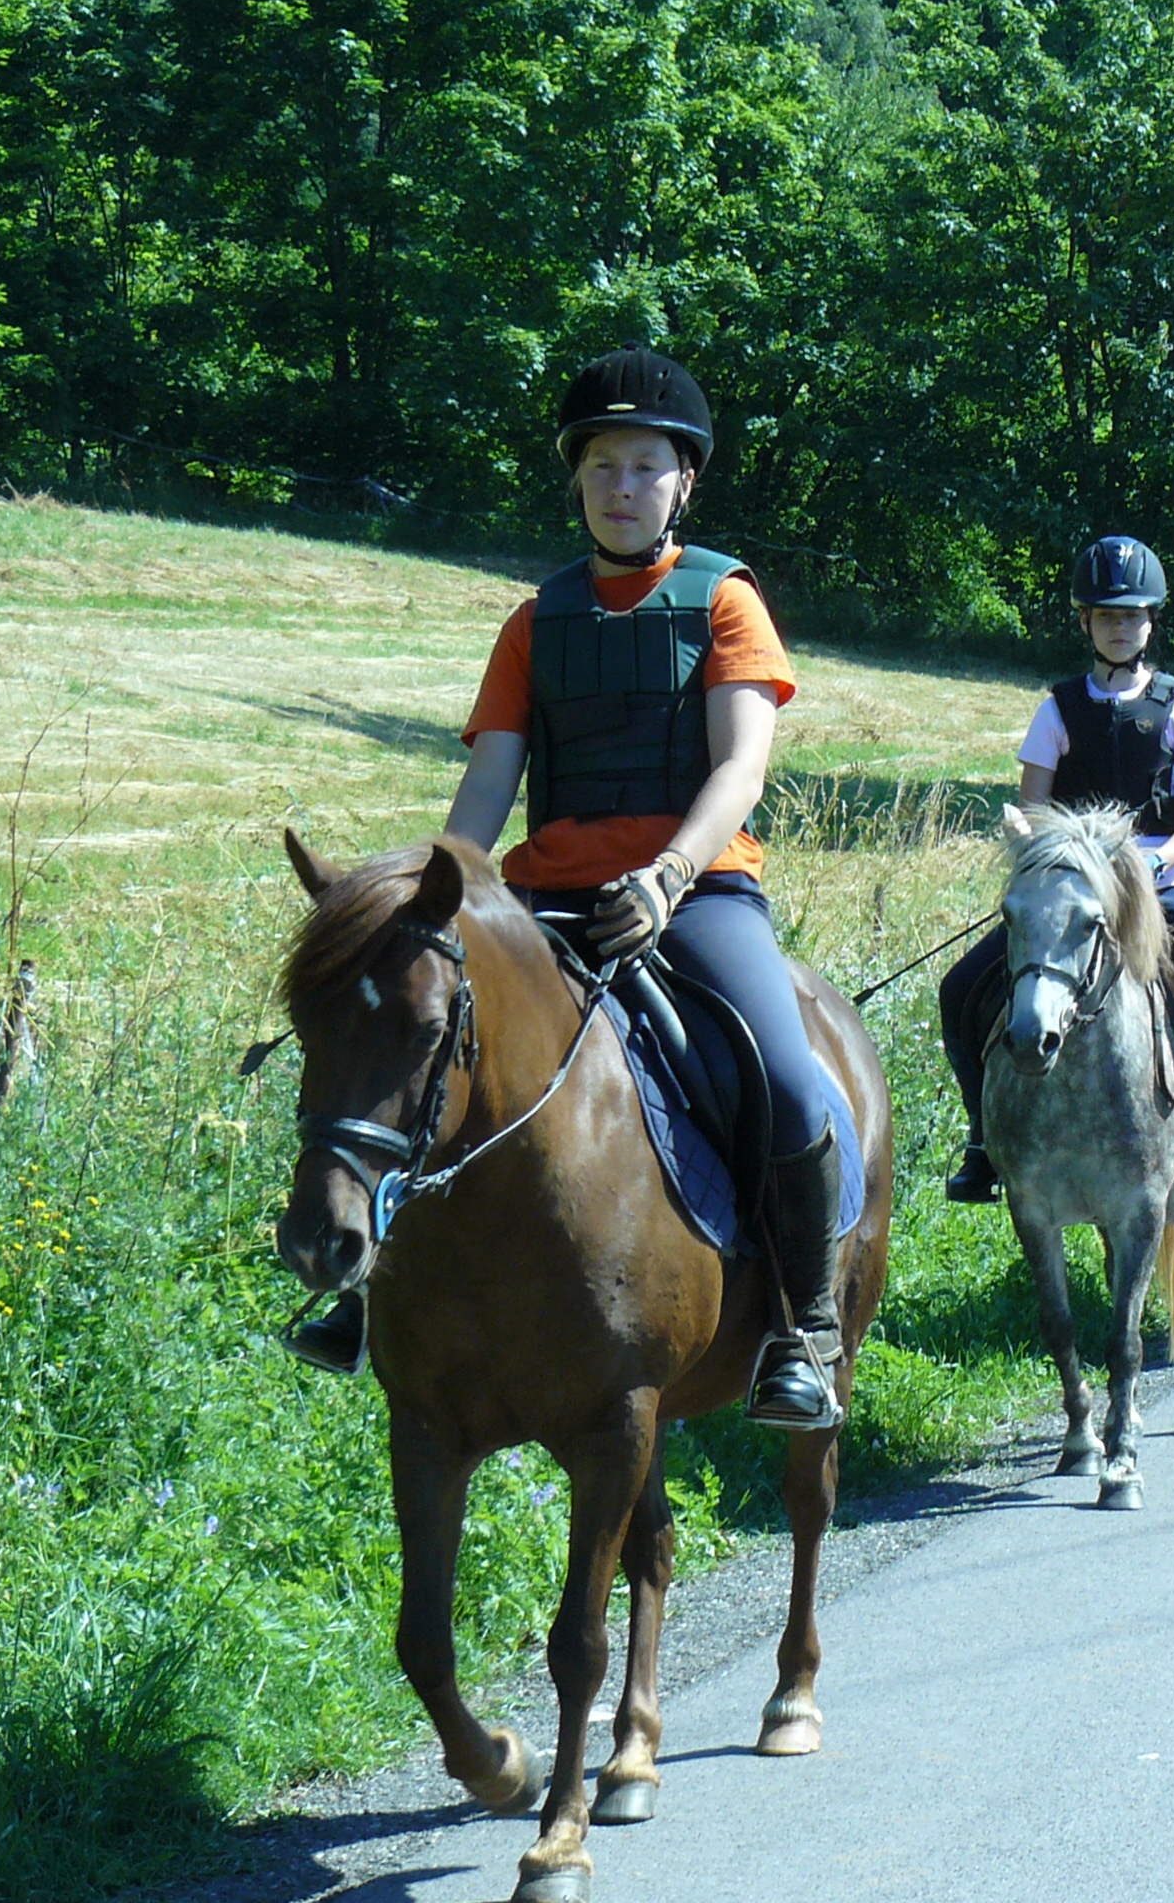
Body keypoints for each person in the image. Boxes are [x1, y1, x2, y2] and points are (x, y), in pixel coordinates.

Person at [288, 346, 847, 1432]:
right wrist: (427, 898)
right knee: (424, 1053)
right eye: (601, 466)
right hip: (546, 900)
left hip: (695, 894)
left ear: (684, 479)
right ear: (578, 481)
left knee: (784, 1075)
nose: (622, 487)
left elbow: (741, 764)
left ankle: (801, 1324)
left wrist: (672, 871)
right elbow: (492, 777)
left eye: (646, 465)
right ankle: (362, 1294)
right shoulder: (534, 622)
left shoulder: (727, 603)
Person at [936, 537, 1174, 1210]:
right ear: (1085, 624)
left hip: (1166, 888)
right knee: (961, 989)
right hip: (1076, 891)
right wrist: (1031, 842)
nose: (1119, 627)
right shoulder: (1058, 709)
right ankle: (983, 1138)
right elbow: (1036, 807)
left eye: (1131, 616)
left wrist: (1153, 862)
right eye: (1106, 617)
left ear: (1150, 623)